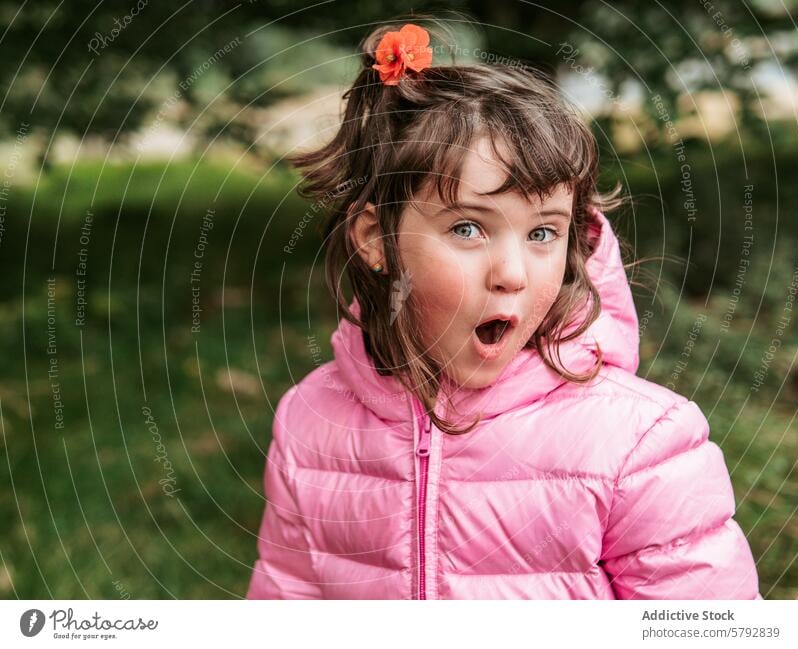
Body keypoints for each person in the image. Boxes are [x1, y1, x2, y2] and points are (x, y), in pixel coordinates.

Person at [246, 21, 761, 599]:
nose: (513, 273)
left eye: (543, 233)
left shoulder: (638, 445)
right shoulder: (311, 420)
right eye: (468, 228)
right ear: (375, 240)